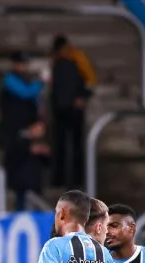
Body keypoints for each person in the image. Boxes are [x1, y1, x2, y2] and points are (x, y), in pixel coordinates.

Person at [49, 36, 96, 189]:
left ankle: (77, 179)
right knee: (59, 145)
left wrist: (82, 97)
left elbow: (91, 81)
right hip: (59, 109)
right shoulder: (55, 62)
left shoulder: (78, 58)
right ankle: (59, 179)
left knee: (76, 145)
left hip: (74, 109)